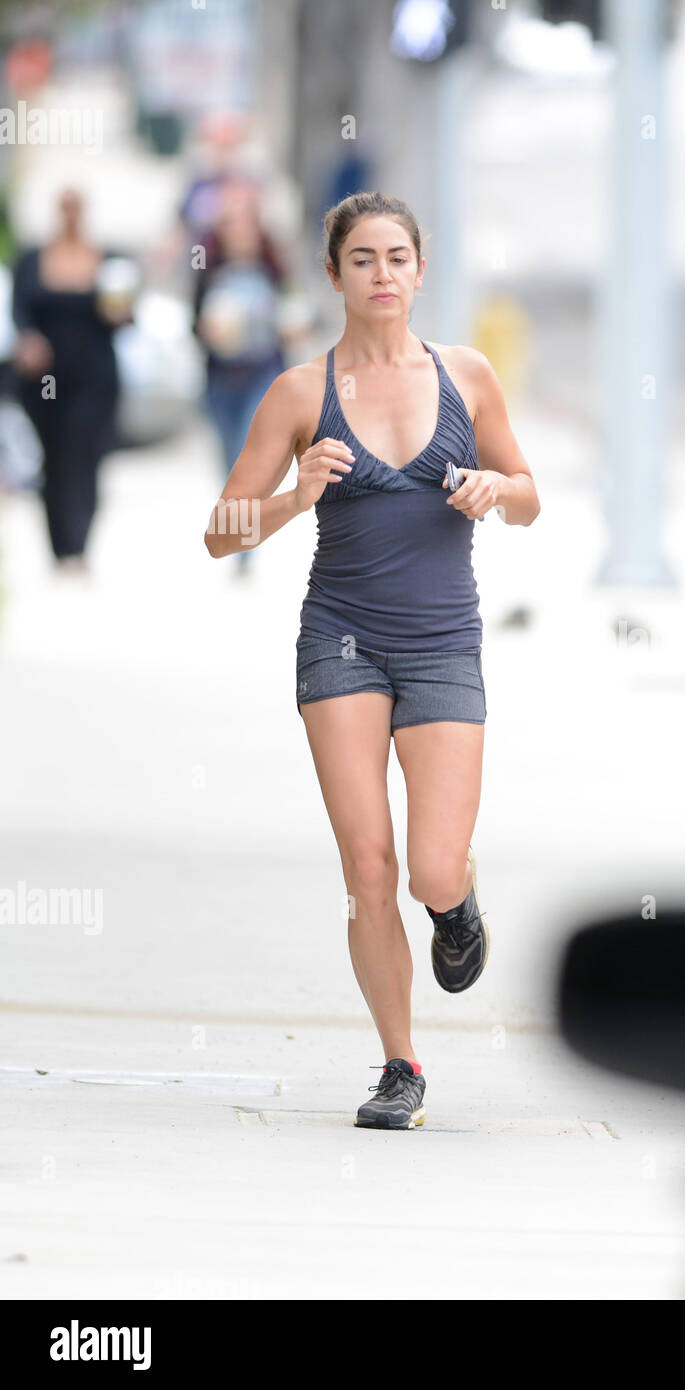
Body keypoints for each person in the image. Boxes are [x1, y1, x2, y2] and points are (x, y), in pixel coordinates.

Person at [203, 191, 540, 1128]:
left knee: (431, 868)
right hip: (340, 639)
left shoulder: (468, 377)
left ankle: (458, 901)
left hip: (442, 643)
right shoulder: (297, 393)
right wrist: (294, 493)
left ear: (420, 272)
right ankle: (400, 1064)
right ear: (335, 275)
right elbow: (220, 534)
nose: (382, 274)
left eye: (397, 257)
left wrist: (489, 489)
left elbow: (530, 494)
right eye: (362, 259)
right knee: (367, 866)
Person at [11, 187, 132, 572]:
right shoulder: (32, 259)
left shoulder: (109, 261)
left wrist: (119, 311)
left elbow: (127, 315)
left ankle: (79, 544)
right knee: (54, 459)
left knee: (86, 455)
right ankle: (58, 547)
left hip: (93, 377)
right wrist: (28, 340)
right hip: (45, 381)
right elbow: (20, 312)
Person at [193, 177, 295, 575]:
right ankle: (236, 536)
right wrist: (206, 331)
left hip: (263, 377)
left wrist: (292, 328)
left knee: (247, 458)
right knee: (227, 464)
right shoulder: (209, 266)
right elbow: (193, 322)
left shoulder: (272, 265)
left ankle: (246, 552)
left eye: (243, 218)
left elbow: (295, 309)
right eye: (229, 218)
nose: (237, 227)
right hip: (221, 379)